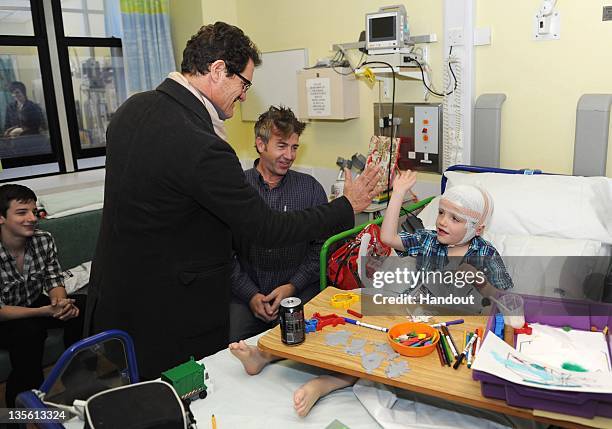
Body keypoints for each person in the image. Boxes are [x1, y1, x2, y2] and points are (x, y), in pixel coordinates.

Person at [86, 22, 381, 380]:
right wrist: (347, 205)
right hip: (167, 310)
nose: (244, 96)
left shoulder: (132, 110)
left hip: (116, 299)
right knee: (175, 398)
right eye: (244, 84)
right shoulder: (201, 144)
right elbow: (266, 228)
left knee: (133, 391)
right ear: (218, 70)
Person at [229, 106, 327, 342]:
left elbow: (321, 249)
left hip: (299, 292)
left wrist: (292, 286)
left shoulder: (310, 189)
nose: (290, 155)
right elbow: (223, 253)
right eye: (282, 146)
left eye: (294, 147)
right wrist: (251, 295)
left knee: (309, 349)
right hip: (245, 296)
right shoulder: (235, 188)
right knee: (233, 351)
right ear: (261, 145)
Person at [0, 184, 85, 407]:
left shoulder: (43, 239)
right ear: (1, 218)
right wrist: (44, 311)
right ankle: (21, 407)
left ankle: (78, 383)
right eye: (22, 213)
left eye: (34, 211)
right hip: (6, 315)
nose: (32, 218)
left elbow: (53, 279)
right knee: (29, 333)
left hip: (32, 302)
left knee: (84, 307)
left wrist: (61, 302)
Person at [380, 171, 513, 295]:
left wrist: (481, 283)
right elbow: (388, 238)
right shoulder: (427, 241)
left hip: (459, 316)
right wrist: (398, 193)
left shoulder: (485, 254)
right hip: (416, 310)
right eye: (441, 212)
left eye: (455, 219)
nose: (442, 222)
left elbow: (504, 298)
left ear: (477, 229)